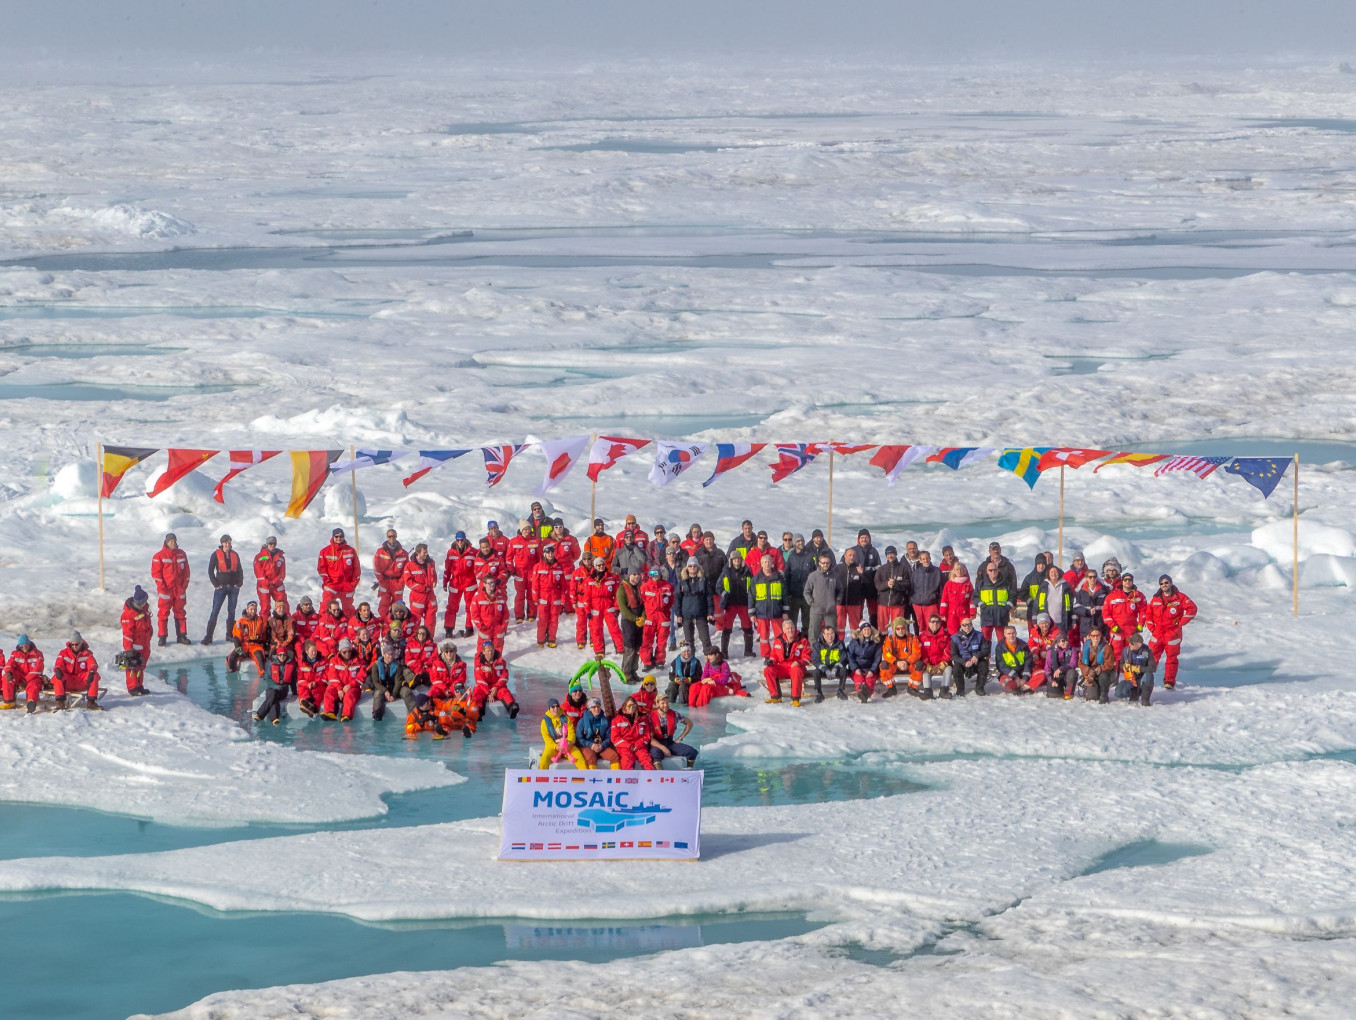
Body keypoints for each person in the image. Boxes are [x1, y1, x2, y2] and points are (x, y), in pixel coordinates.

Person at [1147, 574, 1196, 690]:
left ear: (1171, 583)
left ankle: (1169, 681)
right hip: (1158, 632)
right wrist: (1151, 627)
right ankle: (1147, 677)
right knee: (1151, 656)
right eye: (1162, 583)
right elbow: (1149, 613)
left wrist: (1181, 623)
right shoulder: (1156, 598)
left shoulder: (1180, 597)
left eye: (1166, 582)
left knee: (1171, 658)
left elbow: (1192, 608)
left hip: (1172, 633)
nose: (1164, 585)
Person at [200, 534, 243, 646]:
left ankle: (229, 635)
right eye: (225, 542)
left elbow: (240, 570)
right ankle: (208, 637)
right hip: (221, 587)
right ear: (222, 543)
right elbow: (210, 570)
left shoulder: (235, 555)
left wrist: (239, 583)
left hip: (233, 588)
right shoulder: (215, 555)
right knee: (215, 611)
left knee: (231, 611)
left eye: (229, 542)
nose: (227, 544)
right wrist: (215, 584)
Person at [150, 532, 192, 647]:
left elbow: (186, 571)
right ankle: (162, 637)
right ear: (167, 542)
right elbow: (156, 574)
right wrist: (163, 587)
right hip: (166, 590)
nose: (173, 543)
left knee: (180, 612)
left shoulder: (181, 554)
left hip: (179, 589)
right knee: (163, 613)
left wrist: (184, 585)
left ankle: (182, 636)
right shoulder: (159, 556)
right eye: (171, 541)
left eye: (174, 540)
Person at [763, 618, 810, 706]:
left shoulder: (803, 640)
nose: (790, 630)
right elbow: (774, 655)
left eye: (791, 627)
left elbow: (807, 657)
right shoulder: (778, 640)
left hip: (797, 666)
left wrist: (799, 662)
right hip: (782, 666)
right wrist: (771, 661)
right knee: (768, 670)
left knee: (796, 671)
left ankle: (796, 699)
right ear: (784, 630)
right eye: (787, 628)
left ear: (795, 627)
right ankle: (775, 697)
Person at [1103, 573, 1149, 663]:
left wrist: (1140, 625)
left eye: (1130, 580)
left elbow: (1144, 611)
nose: (1128, 582)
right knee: (1116, 654)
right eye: (1125, 580)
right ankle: (1116, 675)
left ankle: (1129, 675)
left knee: (1131, 654)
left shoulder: (1138, 596)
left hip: (1131, 631)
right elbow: (1106, 613)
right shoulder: (1113, 596)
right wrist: (1113, 626)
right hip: (1117, 631)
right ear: (1122, 582)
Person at [748, 554, 786, 659]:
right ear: (761, 564)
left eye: (769, 562)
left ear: (772, 563)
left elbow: (785, 596)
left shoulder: (779, 578)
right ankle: (766, 656)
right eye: (765, 562)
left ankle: (779, 654)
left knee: (780, 635)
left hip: (776, 611)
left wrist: (785, 612)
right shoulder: (756, 579)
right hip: (761, 612)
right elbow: (751, 597)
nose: (767, 564)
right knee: (764, 637)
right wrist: (751, 613)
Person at [51, 631, 101, 711]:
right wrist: (57, 669)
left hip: (81, 681)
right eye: (72, 644)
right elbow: (59, 663)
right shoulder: (64, 653)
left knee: (94, 675)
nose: (74, 646)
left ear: (81, 643)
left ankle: (91, 702)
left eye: (76, 644)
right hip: (69, 681)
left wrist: (92, 671)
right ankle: (60, 703)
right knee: (57, 677)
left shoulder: (87, 653)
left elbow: (93, 664)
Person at [317, 527, 361, 616]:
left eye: (341, 536)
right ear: (333, 537)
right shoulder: (325, 551)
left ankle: (348, 626)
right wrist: (327, 580)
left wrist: (353, 583)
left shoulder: (351, 551)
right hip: (332, 584)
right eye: (336, 536)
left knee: (348, 609)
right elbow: (321, 568)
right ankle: (323, 625)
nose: (338, 538)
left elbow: (356, 569)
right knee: (326, 606)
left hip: (347, 585)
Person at [530, 543, 568, 647]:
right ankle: (541, 640)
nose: (550, 555)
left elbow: (563, 585)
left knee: (554, 620)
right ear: (544, 554)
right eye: (548, 553)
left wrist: (563, 599)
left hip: (555, 597)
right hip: (543, 597)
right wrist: (535, 598)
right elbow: (535, 584)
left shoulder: (558, 567)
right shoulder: (538, 567)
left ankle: (551, 639)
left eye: (551, 553)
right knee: (543, 620)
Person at [718, 550, 753, 658]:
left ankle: (748, 651)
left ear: (741, 560)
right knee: (727, 628)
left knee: (747, 627)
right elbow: (718, 586)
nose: (736, 561)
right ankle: (724, 652)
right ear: (731, 560)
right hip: (730, 604)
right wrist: (725, 594)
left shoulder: (747, 571)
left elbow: (753, 587)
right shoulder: (726, 571)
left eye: (738, 558)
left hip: (744, 603)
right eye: (734, 559)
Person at [321, 638, 366, 721]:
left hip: (353, 688)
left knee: (349, 695)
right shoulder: (334, 661)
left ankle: (346, 715)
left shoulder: (360, 661)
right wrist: (339, 689)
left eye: (349, 651)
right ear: (340, 652)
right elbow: (332, 676)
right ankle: (330, 712)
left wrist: (350, 685)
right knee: (329, 691)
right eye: (344, 652)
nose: (347, 654)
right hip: (338, 687)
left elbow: (361, 677)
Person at [119, 585, 152, 695]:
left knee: (141, 666)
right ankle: (132, 687)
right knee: (133, 666)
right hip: (135, 646)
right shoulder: (128, 615)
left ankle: (139, 685)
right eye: (139, 603)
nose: (141, 605)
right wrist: (129, 649)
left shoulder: (144, 610)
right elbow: (127, 634)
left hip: (144, 644)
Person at [676, 560, 714, 654]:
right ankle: (690, 661)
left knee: (705, 639)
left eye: (694, 566)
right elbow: (677, 599)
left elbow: (709, 597)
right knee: (688, 641)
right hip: (686, 615)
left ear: (698, 567)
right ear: (687, 568)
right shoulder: (682, 582)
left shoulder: (704, 581)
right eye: (690, 566)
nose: (692, 568)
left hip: (701, 613)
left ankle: (710, 662)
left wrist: (710, 612)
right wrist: (678, 614)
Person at [587, 558, 624, 656]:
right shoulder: (590, 579)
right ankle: (599, 650)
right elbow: (586, 597)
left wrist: (617, 608)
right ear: (595, 566)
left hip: (608, 605)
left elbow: (617, 594)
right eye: (598, 565)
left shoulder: (611, 578)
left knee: (614, 628)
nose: (601, 567)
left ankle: (621, 648)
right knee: (596, 629)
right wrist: (587, 610)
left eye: (602, 564)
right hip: (595, 606)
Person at [472, 641, 519, 717]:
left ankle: (512, 706)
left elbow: (504, 676)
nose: (490, 653)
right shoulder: (479, 664)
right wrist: (488, 693)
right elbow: (480, 680)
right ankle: (478, 710)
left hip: (496, 686)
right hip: (484, 688)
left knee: (504, 691)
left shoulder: (501, 662)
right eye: (488, 651)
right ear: (483, 652)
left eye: (492, 650)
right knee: (477, 691)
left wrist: (496, 687)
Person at [616, 568, 647, 683]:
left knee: (637, 647)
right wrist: (635, 619)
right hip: (629, 621)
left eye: (638, 574)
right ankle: (626, 673)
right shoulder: (621, 589)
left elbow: (644, 605)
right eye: (634, 574)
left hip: (639, 620)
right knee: (629, 648)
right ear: (629, 576)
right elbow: (623, 609)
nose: (636, 577)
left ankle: (633, 671)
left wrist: (643, 617)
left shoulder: (640, 588)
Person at [508, 520, 543, 622]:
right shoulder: (514, 541)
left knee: (532, 595)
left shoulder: (536, 541)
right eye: (525, 529)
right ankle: (519, 615)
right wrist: (512, 569)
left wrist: (538, 570)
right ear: (521, 530)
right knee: (520, 595)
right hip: (520, 573)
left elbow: (540, 558)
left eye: (528, 529)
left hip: (532, 573)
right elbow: (508, 558)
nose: (527, 531)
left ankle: (532, 614)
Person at [803, 552, 841, 644]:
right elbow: (806, 591)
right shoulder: (813, 576)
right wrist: (811, 602)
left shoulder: (835, 576)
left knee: (831, 634)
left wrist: (837, 600)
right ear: (819, 563)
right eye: (823, 563)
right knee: (814, 634)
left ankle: (830, 652)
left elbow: (840, 590)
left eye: (827, 563)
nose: (825, 565)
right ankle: (814, 654)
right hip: (816, 610)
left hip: (830, 610)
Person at [639, 566, 674, 667]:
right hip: (650, 617)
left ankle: (660, 660)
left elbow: (671, 601)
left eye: (656, 574)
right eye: (652, 574)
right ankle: (646, 661)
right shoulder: (644, 587)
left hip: (663, 617)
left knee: (662, 641)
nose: (654, 576)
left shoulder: (668, 587)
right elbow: (642, 601)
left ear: (660, 574)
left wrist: (666, 612)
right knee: (647, 639)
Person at [649, 694, 698, 765]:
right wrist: (663, 748)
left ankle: (688, 773)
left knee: (691, 752)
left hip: (670, 743)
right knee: (655, 755)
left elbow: (690, 724)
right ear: (657, 703)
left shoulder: (675, 715)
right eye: (663, 703)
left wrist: (680, 738)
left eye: (667, 702)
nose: (665, 705)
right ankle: (660, 774)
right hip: (656, 744)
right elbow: (649, 738)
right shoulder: (649, 717)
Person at [976, 560, 1014, 650]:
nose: (993, 572)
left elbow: (1013, 596)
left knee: (1003, 640)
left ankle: (1002, 661)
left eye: (995, 570)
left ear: (998, 570)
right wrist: (981, 605)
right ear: (987, 571)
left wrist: (1007, 607)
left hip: (1001, 616)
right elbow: (975, 596)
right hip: (987, 616)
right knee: (985, 640)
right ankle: (985, 661)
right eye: (990, 570)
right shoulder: (981, 584)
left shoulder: (1006, 583)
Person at [609, 695, 655, 769]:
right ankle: (628, 779)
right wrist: (628, 746)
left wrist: (638, 745)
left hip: (639, 745)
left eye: (633, 705)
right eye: (629, 705)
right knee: (626, 760)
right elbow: (615, 738)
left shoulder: (643, 719)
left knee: (646, 759)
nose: (632, 707)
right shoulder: (616, 720)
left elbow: (647, 736)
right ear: (625, 707)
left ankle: (650, 779)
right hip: (625, 747)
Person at [879, 616, 921, 698]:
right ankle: (891, 688)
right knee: (883, 665)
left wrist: (907, 662)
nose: (900, 631)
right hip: (895, 663)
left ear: (906, 628)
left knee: (919, 665)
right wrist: (896, 662)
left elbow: (917, 653)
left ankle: (912, 687)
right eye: (898, 629)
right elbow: (886, 653)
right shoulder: (889, 639)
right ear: (894, 629)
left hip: (909, 663)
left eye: (902, 628)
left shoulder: (913, 638)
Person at [1, 635, 45, 712]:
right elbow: (9, 663)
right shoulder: (15, 654)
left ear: (29, 644)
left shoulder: (38, 654)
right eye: (22, 645)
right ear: (19, 645)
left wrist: (25, 681)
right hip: (19, 675)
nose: (24, 647)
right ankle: (9, 701)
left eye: (26, 645)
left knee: (33, 685)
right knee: (6, 678)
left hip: (33, 677)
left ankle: (31, 702)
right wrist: (8, 672)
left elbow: (38, 669)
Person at [539, 700, 588, 768]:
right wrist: (556, 747)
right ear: (549, 709)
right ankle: (541, 777)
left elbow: (571, 732)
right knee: (544, 759)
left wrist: (569, 743)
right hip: (553, 747)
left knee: (579, 757)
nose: (555, 709)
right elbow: (547, 738)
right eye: (553, 707)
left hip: (567, 746)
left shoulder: (566, 719)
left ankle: (585, 776)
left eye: (557, 706)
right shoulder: (544, 722)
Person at [783, 533, 816, 636]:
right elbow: (787, 576)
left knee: (807, 620)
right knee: (793, 620)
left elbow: (815, 574)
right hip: (794, 595)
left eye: (802, 540)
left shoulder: (810, 556)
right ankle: (794, 640)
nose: (800, 542)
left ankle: (805, 640)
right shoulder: (791, 557)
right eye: (798, 541)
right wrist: (787, 593)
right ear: (794, 543)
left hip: (807, 595)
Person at [254, 645, 295, 726]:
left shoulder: (291, 665)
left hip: (283, 690)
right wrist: (275, 686)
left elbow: (293, 680)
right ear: (277, 655)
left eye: (284, 655)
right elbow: (267, 679)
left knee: (273, 696)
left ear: (286, 656)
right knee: (273, 696)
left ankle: (260, 714)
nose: (282, 656)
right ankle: (274, 718)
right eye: (280, 655)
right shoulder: (271, 665)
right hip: (272, 688)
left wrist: (295, 693)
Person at [874, 545, 911, 632]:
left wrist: (895, 584)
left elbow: (907, 584)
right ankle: (883, 644)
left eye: (892, 554)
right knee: (882, 628)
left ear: (896, 554)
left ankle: (898, 644)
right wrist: (887, 584)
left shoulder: (903, 568)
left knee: (899, 627)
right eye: (888, 554)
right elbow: (877, 585)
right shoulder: (882, 569)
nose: (890, 556)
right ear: (886, 556)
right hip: (883, 603)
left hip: (897, 603)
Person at [576, 697, 621, 768]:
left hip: (601, 746)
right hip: (588, 746)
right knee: (591, 757)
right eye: (593, 707)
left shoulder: (605, 721)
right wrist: (590, 745)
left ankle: (615, 777)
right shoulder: (582, 722)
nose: (596, 709)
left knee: (614, 756)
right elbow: (579, 738)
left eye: (598, 706)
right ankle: (592, 778)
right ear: (589, 708)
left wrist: (602, 745)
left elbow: (609, 737)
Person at [372, 528, 408, 618]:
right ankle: (384, 624)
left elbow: (406, 570)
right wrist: (381, 580)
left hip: (397, 582)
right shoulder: (380, 551)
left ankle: (396, 625)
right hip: (385, 581)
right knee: (384, 604)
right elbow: (377, 567)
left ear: (396, 536)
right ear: (387, 537)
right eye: (390, 536)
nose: (392, 538)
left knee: (398, 606)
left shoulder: (404, 553)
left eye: (394, 536)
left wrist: (401, 581)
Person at [917, 614, 954, 699]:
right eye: (932, 622)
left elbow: (948, 650)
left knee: (949, 669)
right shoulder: (922, 637)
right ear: (928, 623)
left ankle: (944, 691)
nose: (935, 624)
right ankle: (927, 692)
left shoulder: (946, 636)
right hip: (929, 665)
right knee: (925, 673)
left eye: (937, 622)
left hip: (942, 664)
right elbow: (921, 653)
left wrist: (944, 662)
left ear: (940, 623)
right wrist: (926, 664)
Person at [810, 622, 848, 703]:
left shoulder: (840, 644)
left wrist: (836, 667)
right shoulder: (818, 645)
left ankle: (840, 691)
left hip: (836, 668)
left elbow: (844, 658)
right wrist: (824, 669)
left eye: (832, 634)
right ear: (823, 635)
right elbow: (815, 659)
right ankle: (819, 693)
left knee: (844, 670)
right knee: (815, 672)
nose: (830, 636)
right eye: (827, 634)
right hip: (823, 668)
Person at [470, 577, 510, 652]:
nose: (492, 585)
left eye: (493, 583)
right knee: (482, 651)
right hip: (485, 628)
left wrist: (503, 626)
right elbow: (475, 615)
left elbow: (506, 614)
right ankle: (481, 664)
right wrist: (481, 627)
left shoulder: (500, 597)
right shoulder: (478, 598)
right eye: (489, 583)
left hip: (498, 629)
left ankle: (497, 664)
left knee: (498, 651)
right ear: (484, 584)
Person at [835, 548, 870, 635]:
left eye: (854, 555)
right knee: (839, 626)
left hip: (854, 603)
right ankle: (840, 645)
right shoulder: (837, 568)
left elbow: (866, 584)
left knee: (855, 627)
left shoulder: (858, 568)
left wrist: (862, 574)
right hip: (840, 602)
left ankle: (856, 645)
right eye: (850, 555)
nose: (852, 557)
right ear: (845, 556)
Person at [949, 617, 987, 696]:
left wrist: (977, 656)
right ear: (961, 626)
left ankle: (979, 688)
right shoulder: (955, 638)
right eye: (964, 625)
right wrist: (964, 662)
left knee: (984, 665)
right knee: (956, 668)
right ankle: (960, 689)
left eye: (969, 625)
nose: (967, 627)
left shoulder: (979, 635)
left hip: (975, 660)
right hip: (963, 662)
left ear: (972, 625)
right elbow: (954, 655)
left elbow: (985, 649)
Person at [845, 622, 882, 702]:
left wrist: (872, 670)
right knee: (859, 680)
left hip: (871, 668)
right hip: (857, 668)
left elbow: (877, 658)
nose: (866, 631)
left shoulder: (875, 643)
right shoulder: (854, 642)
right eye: (864, 630)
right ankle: (862, 693)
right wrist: (855, 668)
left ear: (871, 630)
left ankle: (866, 695)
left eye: (868, 629)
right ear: (861, 631)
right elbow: (850, 656)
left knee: (869, 680)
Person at [228, 600, 268, 674]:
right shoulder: (240, 621)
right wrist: (238, 648)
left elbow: (266, 632)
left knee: (260, 659)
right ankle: (233, 675)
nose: (253, 611)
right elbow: (236, 636)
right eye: (251, 609)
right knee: (231, 659)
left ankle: (262, 675)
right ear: (247, 610)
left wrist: (266, 647)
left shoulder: (261, 620)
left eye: (255, 609)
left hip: (256, 646)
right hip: (243, 645)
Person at [1034, 564, 1074, 637]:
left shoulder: (1065, 586)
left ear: (1059, 573)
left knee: (1061, 642)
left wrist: (1073, 620)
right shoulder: (1044, 586)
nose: (1053, 574)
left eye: (1055, 572)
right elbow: (1037, 602)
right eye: (1051, 572)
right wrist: (1034, 619)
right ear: (1048, 574)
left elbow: (1071, 604)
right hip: (1047, 621)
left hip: (1062, 620)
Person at [1079, 627, 1116, 703]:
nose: (1095, 638)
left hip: (1105, 671)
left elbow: (1110, 663)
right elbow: (1080, 662)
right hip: (1091, 673)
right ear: (1089, 636)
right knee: (1092, 697)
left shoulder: (1106, 647)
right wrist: (1087, 670)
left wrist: (1100, 668)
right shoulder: (1086, 647)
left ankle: (1104, 694)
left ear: (1101, 636)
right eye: (1093, 635)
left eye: (1097, 635)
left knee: (1103, 676)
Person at [1118, 632, 1156, 706]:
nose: (1129, 644)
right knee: (1119, 693)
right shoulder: (1126, 651)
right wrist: (1124, 666)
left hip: (1142, 676)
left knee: (1149, 676)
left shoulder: (1146, 651)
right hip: (1131, 678)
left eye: (1131, 643)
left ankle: (1145, 699)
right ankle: (1134, 694)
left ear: (1139, 644)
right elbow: (1120, 664)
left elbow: (1153, 668)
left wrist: (1138, 669)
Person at [909, 550, 943, 634]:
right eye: (923, 559)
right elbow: (911, 588)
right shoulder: (915, 573)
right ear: (920, 561)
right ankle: (923, 645)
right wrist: (912, 600)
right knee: (921, 628)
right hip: (918, 605)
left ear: (930, 558)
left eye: (927, 558)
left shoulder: (937, 571)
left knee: (933, 627)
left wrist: (939, 602)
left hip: (931, 604)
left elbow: (941, 589)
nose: (926, 560)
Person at [253, 536, 288, 617]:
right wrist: (267, 582)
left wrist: (276, 581)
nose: (272, 545)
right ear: (267, 544)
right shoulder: (259, 557)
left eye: (274, 544)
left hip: (277, 586)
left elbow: (282, 573)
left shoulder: (281, 557)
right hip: (264, 586)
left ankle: (284, 626)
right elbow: (258, 572)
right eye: (270, 544)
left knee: (283, 606)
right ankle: (265, 627)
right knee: (265, 608)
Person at [1071, 568, 1107, 645]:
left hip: (1100, 623)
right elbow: (1075, 607)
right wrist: (1087, 611)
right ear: (1086, 578)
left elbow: (1108, 606)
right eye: (1090, 577)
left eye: (1094, 577)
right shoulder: (1080, 592)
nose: (1092, 579)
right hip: (1086, 625)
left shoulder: (1104, 590)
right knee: (1087, 649)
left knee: (1100, 649)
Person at [995, 625, 1033, 694]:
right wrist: (1015, 677)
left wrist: (1024, 678)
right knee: (1006, 682)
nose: (1011, 635)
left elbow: (1028, 663)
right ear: (1004, 635)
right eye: (1009, 634)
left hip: (1022, 673)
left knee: (1040, 674)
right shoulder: (1000, 647)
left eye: (1013, 633)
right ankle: (1020, 687)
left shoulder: (1023, 645)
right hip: (1009, 674)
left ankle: (1024, 685)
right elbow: (1001, 665)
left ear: (1016, 633)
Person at [939, 563, 974, 636]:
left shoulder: (968, 584)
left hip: (964, 613)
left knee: (965, 632)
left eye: (961, 569)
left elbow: (972, 600)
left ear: (964, 571)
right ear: (954, 571)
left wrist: (972, 613)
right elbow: (944, 601)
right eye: (957, 569)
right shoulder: (949, 584)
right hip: (952, 614)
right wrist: (943, 614)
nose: (959, 571)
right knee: (952, 633)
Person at [294, 640, 328, 716]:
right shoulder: (301, 662)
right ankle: (306, 703)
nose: (314, 653)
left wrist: (316, 682)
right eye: (312, 651)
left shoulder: (323, 661)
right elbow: (300, 679)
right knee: (302, 690)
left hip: (319, 684)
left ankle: (313, 708)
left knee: (317, 693)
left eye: (315, 650)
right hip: (306, 684)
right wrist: (307, 684)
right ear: (307, 651)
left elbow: (325, 677)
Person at [1044, 632, 1080, 699]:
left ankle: (1070, 692)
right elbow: (1047, 668)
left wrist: (1061, 669)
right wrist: (1051, 680)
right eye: (1063, 641)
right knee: (1053, 695)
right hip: (1056, 676)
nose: (1066, 642)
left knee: (1073, 673)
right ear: (1058, 642)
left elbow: (1073, 664)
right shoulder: (1050, 651)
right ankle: (1059, 689)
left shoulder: (1072, 649)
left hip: (1067, 674)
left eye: (1067, 640)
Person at [572, 551, 596, 649]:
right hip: (580, 600)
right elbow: (572, 588)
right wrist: (573, 601)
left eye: (589, 559)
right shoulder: (577, 572)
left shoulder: (596, 571)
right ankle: (581, 640)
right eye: (585, 559)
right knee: (581, 622)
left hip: (592, 600)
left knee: (593, 622)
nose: (587, 561)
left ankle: (594, 640)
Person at [1017, 554, 1048, 621]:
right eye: (1039, 564)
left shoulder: (1049, 577)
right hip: (1032, 609)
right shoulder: (1029, 578)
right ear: (1036, 565)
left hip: (1047, 610)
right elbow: (1023, 593)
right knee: (1033, 631)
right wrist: (1030, 601)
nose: (1041, 566)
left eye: (1043, 564)